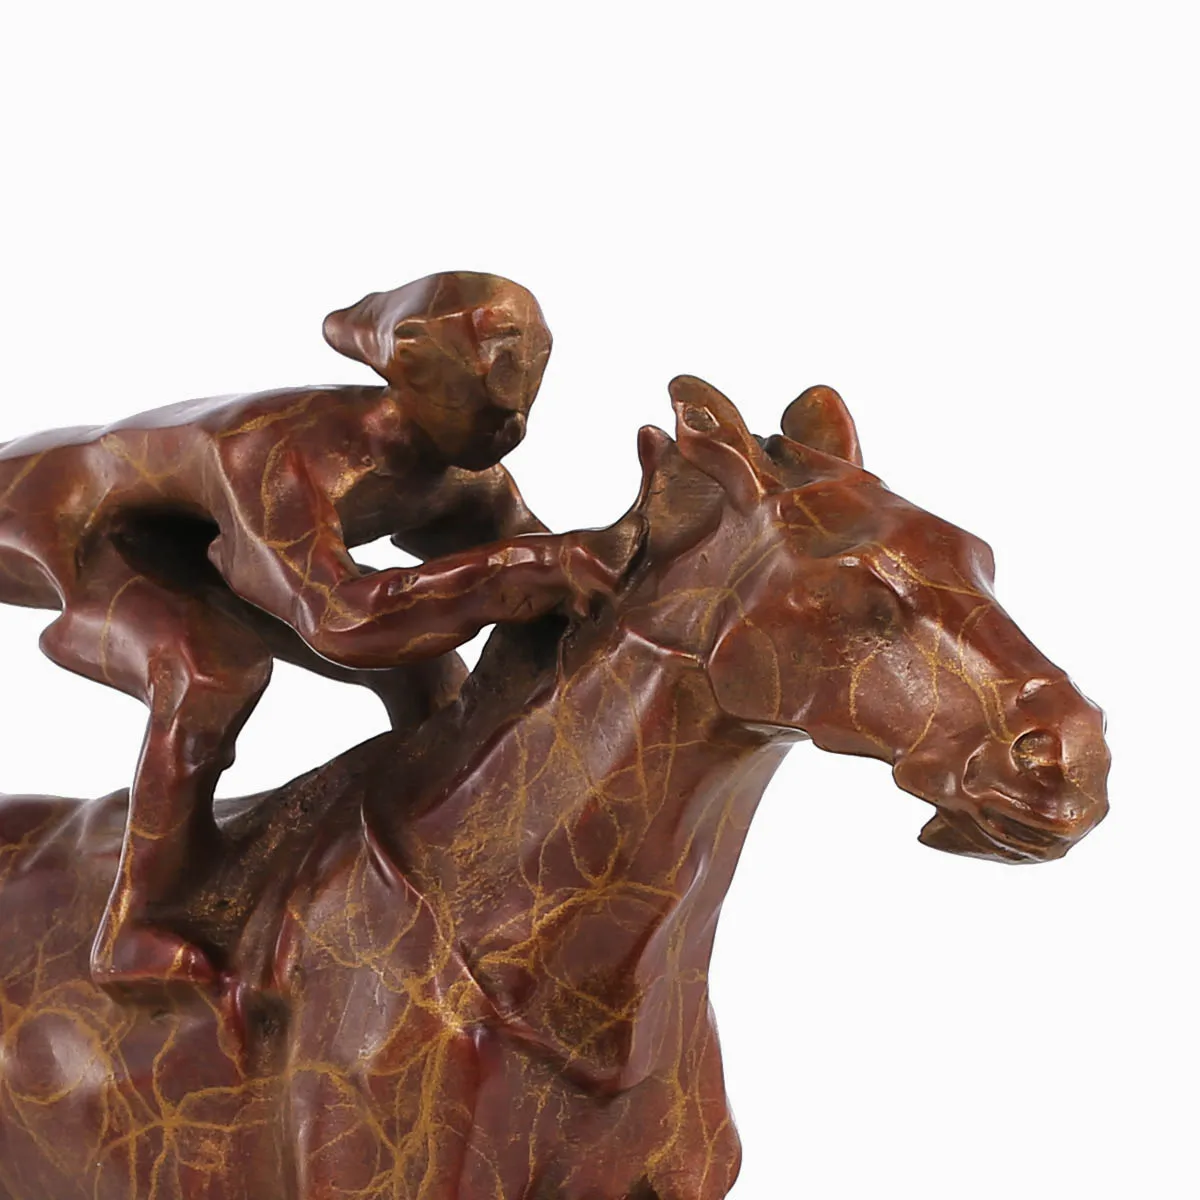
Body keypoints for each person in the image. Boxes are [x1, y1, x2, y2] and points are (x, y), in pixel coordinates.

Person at [0, 271, 632, 997]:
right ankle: (135, 926)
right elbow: (340, 619)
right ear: (414, 366)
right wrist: (524, 570)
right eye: (492, 391)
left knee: (426, 671)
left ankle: (430, 842)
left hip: (187, 535)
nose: (512, 423)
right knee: (208, 673)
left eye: (524, 394)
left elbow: (545, 564)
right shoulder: (280, 456)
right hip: (67, 522)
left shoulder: (459, 475)